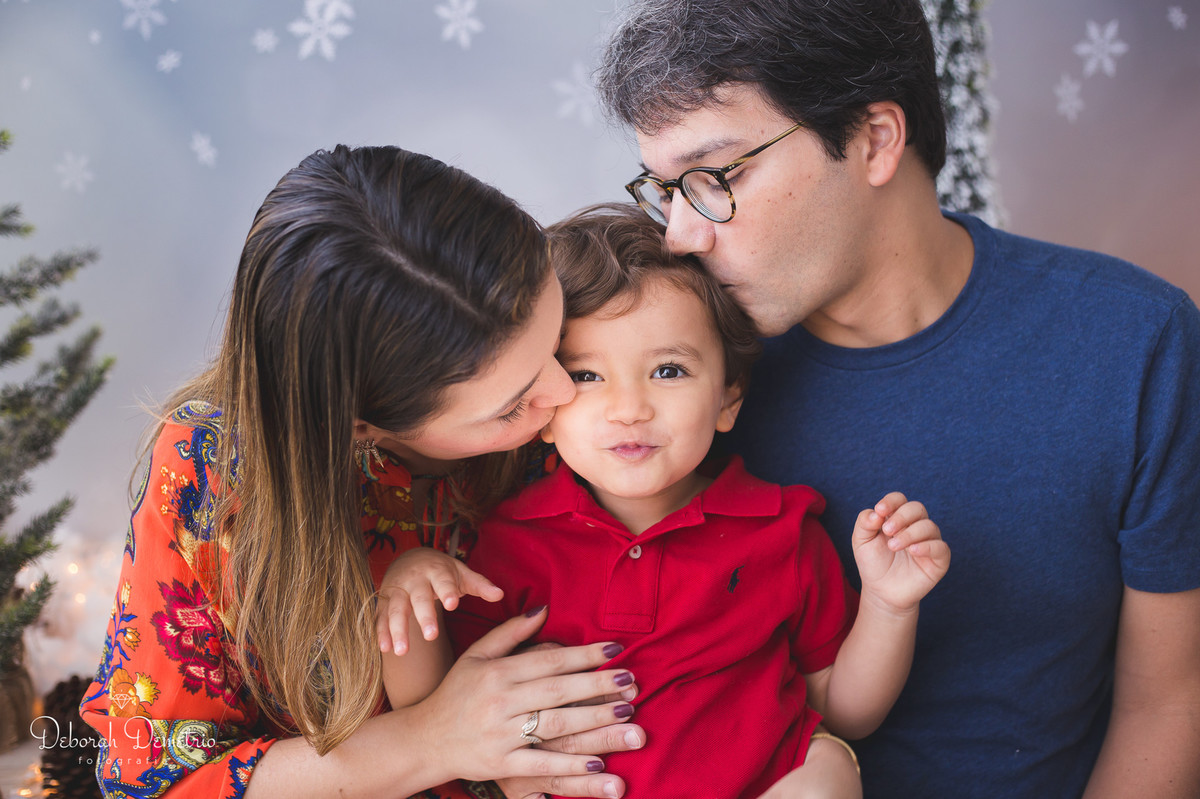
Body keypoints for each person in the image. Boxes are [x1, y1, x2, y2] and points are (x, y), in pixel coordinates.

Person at [594, 1, 1200, 797]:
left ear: (876, 139)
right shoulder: (673, 378)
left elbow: (1166, 699)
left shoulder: (1134, 340)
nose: (680, 234)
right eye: (666, 189)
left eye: (718, 176)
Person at [79, 145, 648, 799]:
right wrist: (433, 737)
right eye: (513, 404)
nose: (566, 393)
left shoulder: (595, 376)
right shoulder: (207, 473)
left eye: (559, 348)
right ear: (360, 425)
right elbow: (153, 781)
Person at [379, 203, 950, 798]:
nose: (630, 407)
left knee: (825, 772)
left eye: (669, 371)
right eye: (588, 377)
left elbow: (846, 712)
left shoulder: (781, 529)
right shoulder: (509, 541)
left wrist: (889, 605)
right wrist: (409, 587)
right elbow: (437, 720)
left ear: (729, 397)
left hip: (761, 786)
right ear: (542, 403)